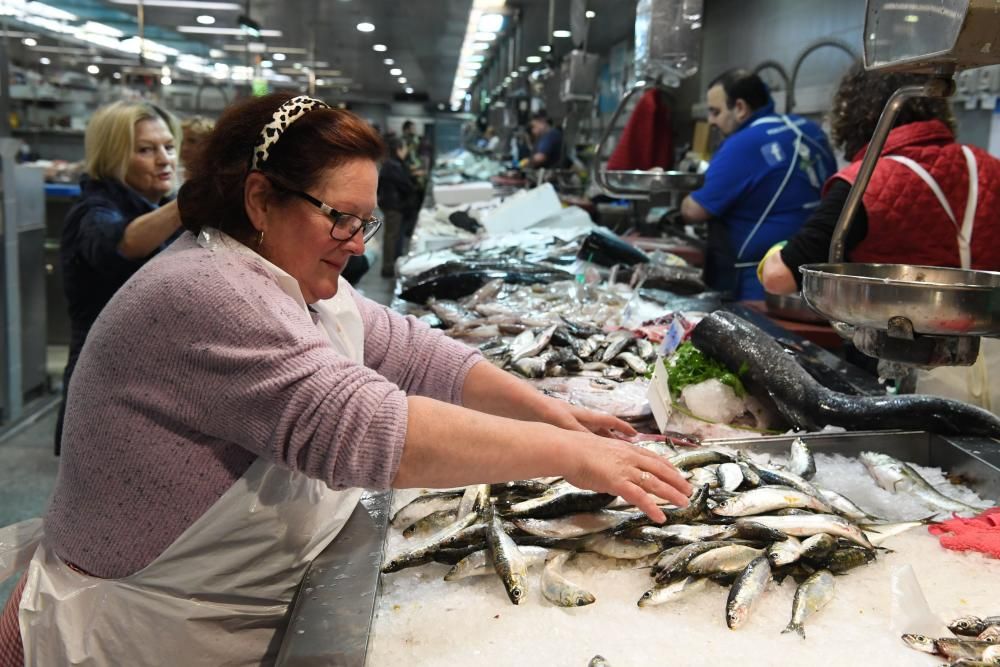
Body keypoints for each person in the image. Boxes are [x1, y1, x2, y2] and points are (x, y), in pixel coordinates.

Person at [0, 93, 690, 666]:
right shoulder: (208, 290)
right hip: (134, 636)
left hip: (209, 611)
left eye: (366, 221)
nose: (359, 244)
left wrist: (549, 412)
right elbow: (359, 428)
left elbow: (419, 353)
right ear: (261, 198)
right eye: (340, 218)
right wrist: (571, 457)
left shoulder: (287, 274)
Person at [758, 64, 1000, 412]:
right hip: (991, 359)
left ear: (855, 113)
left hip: (901, 373)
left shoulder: (867, 180)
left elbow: (780, 277)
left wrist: (775, 252)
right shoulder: (990, 167)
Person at [54, 100, 183, 455]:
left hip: (149, 384)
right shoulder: (92, 212)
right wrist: (189, 205)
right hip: (105, 388)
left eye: (168, 147)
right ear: (114, 157)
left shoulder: (159, 209)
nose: (164, 160)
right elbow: (120, 244)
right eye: (145, 150)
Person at [680, 69, 837, 300]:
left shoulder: (742, 145)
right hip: (815, 279)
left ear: (740, 108)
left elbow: (694, 211)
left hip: (760, 283)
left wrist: (683, 200)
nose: (711, 120)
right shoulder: (809, 129)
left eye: (715, 112)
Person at [378, 135, 417, 276]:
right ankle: (388, 268)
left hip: (394, 204)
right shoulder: (392, 165)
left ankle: (392, 264)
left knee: (394, 236)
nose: (406, 150)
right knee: (391, 237)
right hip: (394, 206)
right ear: (399, 149)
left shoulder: (392, 164)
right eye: (405, 147)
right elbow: (404, 184)